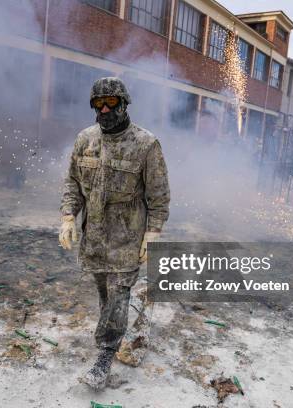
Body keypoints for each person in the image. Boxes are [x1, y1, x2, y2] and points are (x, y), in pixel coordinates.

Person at [58, 77, 170, 390]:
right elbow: (72, 183)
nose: (104, 109)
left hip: (127, 238)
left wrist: (153, 232)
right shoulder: (86, 139)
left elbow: (159, 195)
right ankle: (123, 327)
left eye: (111, 103)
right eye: (98, 104)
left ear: (124, 104)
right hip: (94, 236)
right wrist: (68, 215)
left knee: (119, 294)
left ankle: (104, 355)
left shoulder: (146, 144)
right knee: (105, 294)